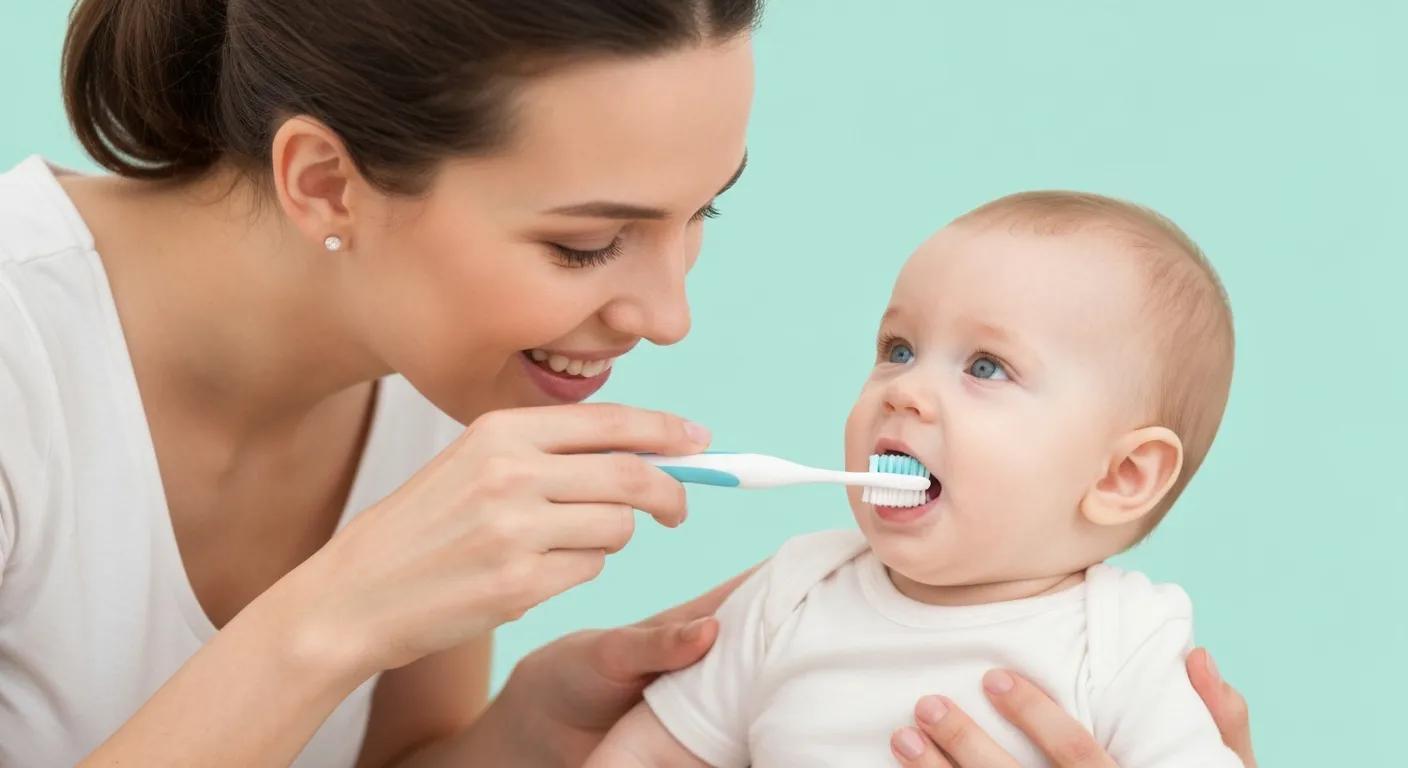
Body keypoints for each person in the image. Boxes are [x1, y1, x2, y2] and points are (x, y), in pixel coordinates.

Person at [0, 1, 1256, 765]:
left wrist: (533, 731)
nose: (668, 313)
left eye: (701, 213)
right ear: (326, 182)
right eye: (584, 244)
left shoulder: (454, 380)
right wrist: (331, 621)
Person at [587, 192, 1246, 767]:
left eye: (986, 367)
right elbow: (650, 751)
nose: (905, 391)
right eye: (897, 350)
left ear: (1121, 476)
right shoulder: (796, 590)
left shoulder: (1125, 643)